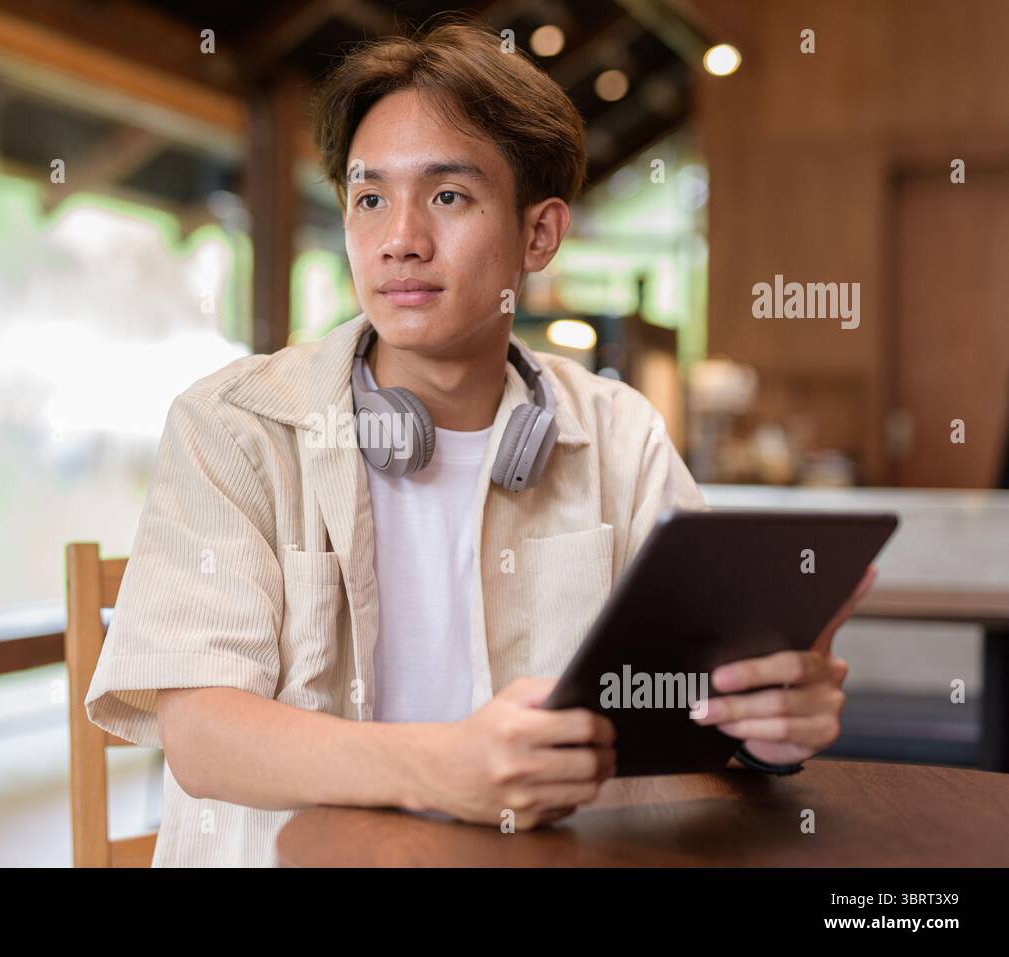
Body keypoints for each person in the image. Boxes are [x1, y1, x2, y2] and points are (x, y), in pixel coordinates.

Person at [84, 18, 864, 867]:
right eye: (370, 197)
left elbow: (695, 699)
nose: (399, 240)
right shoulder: (234, 426)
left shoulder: (617, 433)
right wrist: (439, 766)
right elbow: (201, 735)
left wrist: (772, 726)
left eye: (447, 196)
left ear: (539, 235)